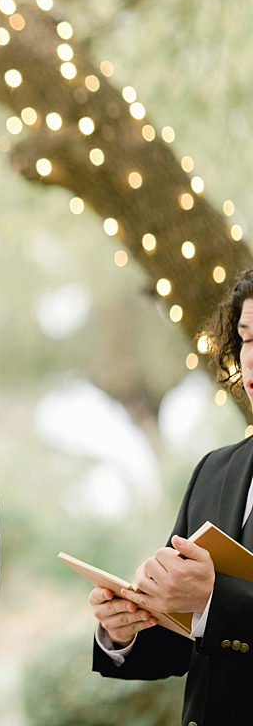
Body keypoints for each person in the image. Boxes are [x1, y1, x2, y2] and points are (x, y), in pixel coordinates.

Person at [90, 269, 253, 726]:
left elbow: (209, 609)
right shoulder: (213, 471)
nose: (252, 359)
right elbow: (182, 640)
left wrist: (213, 599)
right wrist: (123, 631)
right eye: (246, 339)